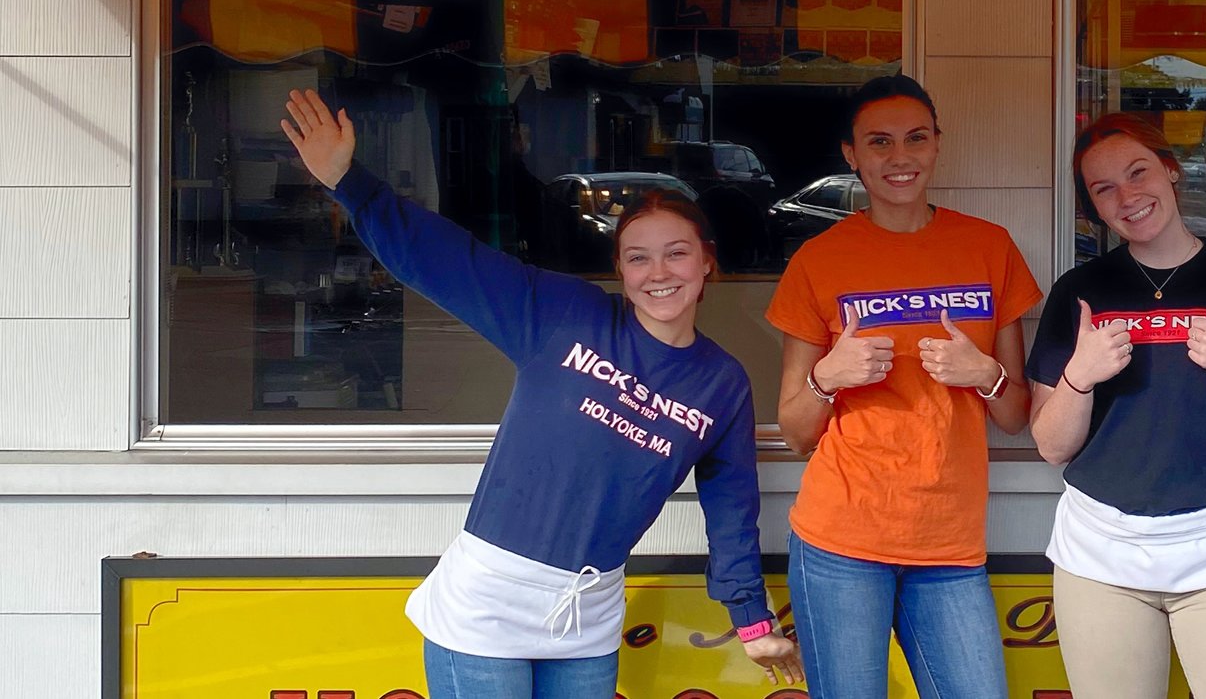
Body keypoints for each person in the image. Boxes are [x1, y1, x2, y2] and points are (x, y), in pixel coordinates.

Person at [278, 88, 801, 698]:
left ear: (707, 262)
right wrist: (349, 182)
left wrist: (752, 620)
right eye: (638, 258)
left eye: (676, 254)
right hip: (487, 606)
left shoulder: (721, 383)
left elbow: (732, 509)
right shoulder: (566, 315)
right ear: (621, 269)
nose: (658, 273)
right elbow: (450, 261)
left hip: (588, 616)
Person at [1025, 113, 1206, 699]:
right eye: (1104, 188)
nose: (1127, 197)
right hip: (1101, 553)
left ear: (1170, 170)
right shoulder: (1081, 293)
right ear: (1092, 208)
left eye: (1138, 172)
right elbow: (1053, 446)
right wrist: (1079, 376)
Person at [764, 74, 1042, 699]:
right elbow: (796, 431)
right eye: (879, 141)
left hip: (949, 545)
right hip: (840, 540)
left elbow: (1015, 414)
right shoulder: (818, 260)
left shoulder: (988, 247)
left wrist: (985, 375)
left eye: (916, 138)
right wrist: (827, 377)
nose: (900, 157)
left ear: (937, 143)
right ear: (851, 154)